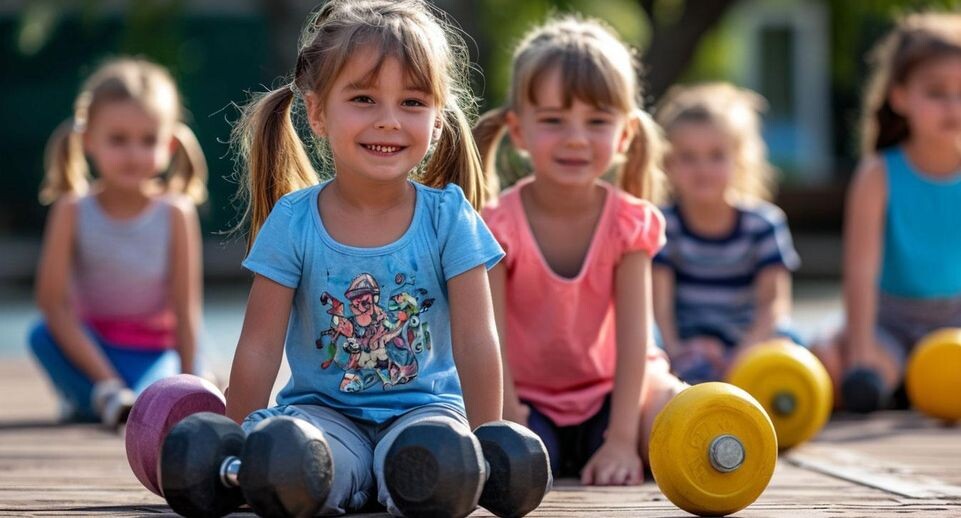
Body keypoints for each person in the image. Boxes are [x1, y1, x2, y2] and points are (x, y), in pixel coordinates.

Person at [225, 0, 504, 513]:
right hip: (324, 415)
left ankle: (416, 479)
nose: (389, 121)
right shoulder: (294, 220)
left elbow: (476, 339)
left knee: (433, 460)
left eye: (413, 103)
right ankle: (318, 475)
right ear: (317, 112)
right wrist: (231, 443)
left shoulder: (449, 219)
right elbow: (259, 346)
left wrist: (488, 446)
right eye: (364, 98)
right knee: (291, 457)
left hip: (424, 415)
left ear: (438, 120)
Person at [475, 16, 686, 486]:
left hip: (617, 394)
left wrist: (622, 439)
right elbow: (491, 340)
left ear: (625, 135)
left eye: (596, 122)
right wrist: (509, 414)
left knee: (678, 420)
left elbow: (636, 341)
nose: (575, 137)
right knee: (513, 468)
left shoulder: (629, 223)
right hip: (529, 399)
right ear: (519, 130)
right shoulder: (498, 225)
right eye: (553, 120)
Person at [29, 57, 208, 428]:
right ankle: (105, 397)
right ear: (88, 140)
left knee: (157, 399)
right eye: (118, 139)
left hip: (154, 352)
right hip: (91, 350)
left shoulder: (176, 213)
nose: (133, 154)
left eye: (148, 140)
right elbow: (53, 304)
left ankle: (106, 403)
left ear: (170, 145)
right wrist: (106, 380)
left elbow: (186, 309)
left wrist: (191, 384)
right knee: (40, 338)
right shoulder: (71, 210)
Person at [812, 13, 961, 413]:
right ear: (900, 96)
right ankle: (899, 381)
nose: (952, 106)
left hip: (955, 319)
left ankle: (920, 384)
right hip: (888, 321)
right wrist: (860, 353)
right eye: (936, 93)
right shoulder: (878, 173)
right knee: (834, 365)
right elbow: (861, 271)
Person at [651, 82, 801, 384]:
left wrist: (744, 351)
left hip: (751, 341)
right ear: (668, 164)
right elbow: (659, 308)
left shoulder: (763, 224)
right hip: (688, 345)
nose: (702, 169)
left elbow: (774, 305)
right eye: (688, 157)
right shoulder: (663, 225)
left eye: (716, 156)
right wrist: (678, 349)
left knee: (789, 344)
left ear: (740, 159)